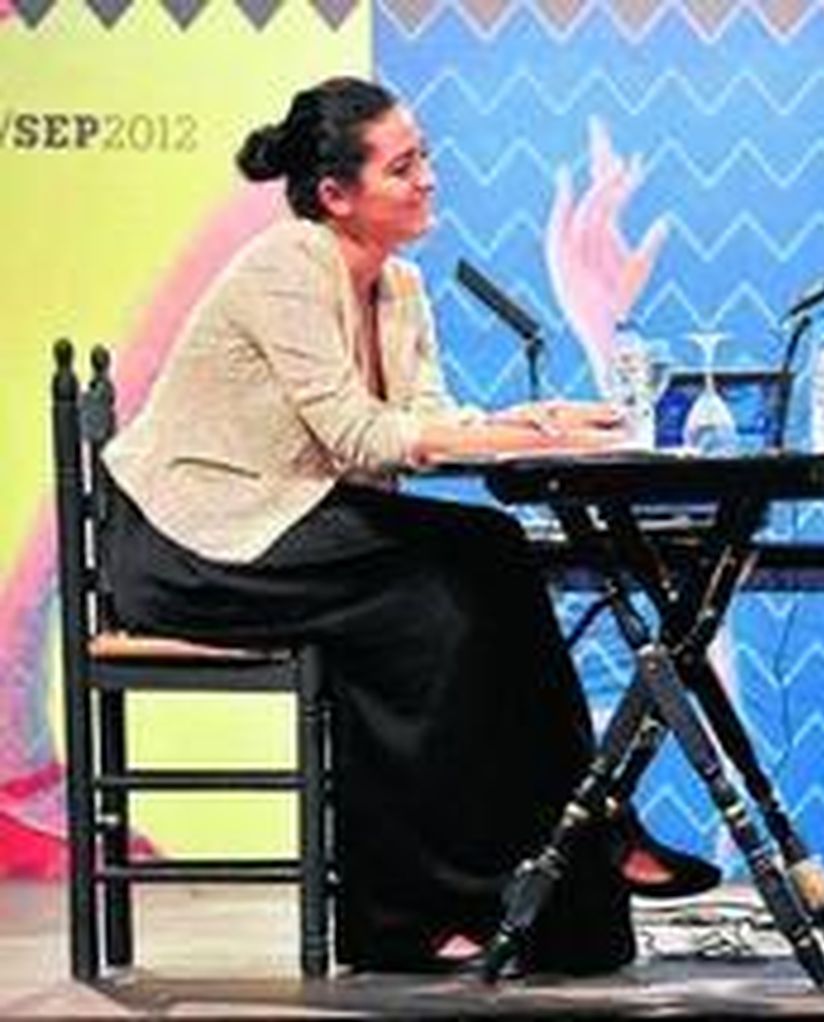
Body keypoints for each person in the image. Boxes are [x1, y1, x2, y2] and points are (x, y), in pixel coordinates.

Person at [102, 76, 708, 975]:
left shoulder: (403, 285)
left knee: (492, 557)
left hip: (295, 518)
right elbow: (359, 434)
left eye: (425, 157)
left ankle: (577, 846)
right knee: (429, 618)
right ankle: (417, 914)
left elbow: (426, 423)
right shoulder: (287, 266)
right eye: (404, 165)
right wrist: (521, 429)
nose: (428, 178)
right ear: (336, 195)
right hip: (199, 539)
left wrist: (539, 420)